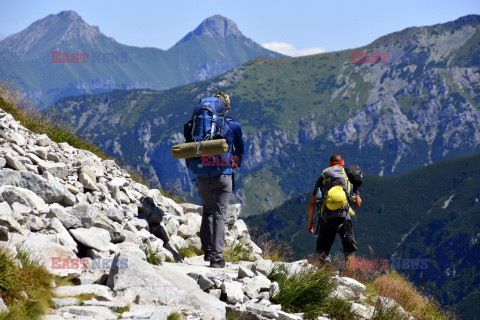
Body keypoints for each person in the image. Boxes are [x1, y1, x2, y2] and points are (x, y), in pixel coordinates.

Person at [194, 91, 244, 268]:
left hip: (201, 174)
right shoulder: (234, 126)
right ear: (226, 108)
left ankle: (207, 251)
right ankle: (216, 258)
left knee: (207, 210)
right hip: (223, 174)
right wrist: (235, 162)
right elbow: (239, 150)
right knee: (219, 215)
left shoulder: (198, 123)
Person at [307, 153, 361, 268]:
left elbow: (312, 204)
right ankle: (350, 276)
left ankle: (327, 269)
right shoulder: (348, 177)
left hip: (327, 218)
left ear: (330, 164)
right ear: (343, 163)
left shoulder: (323, 178)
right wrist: (356, 190)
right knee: (349, 250)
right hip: (345, 216)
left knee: (322, 248)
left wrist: (310, 222)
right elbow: (358, 203)